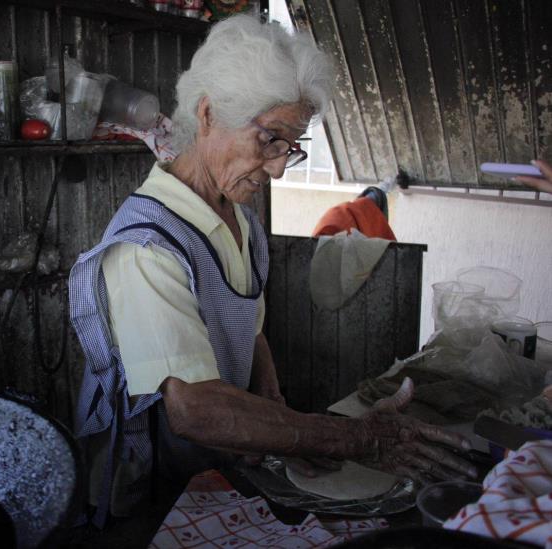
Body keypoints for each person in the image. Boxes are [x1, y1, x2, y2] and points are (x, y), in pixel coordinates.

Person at [69, 15, 476, 526]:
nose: (281, 167)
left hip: (219, 463)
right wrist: (352, 438)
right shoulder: (147, 249)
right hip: (151, 484)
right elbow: (193, 409)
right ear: (209, 114)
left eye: (292, 145)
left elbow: (248, 323)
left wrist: (275, 414)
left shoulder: (241, 220)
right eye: (270, 140)